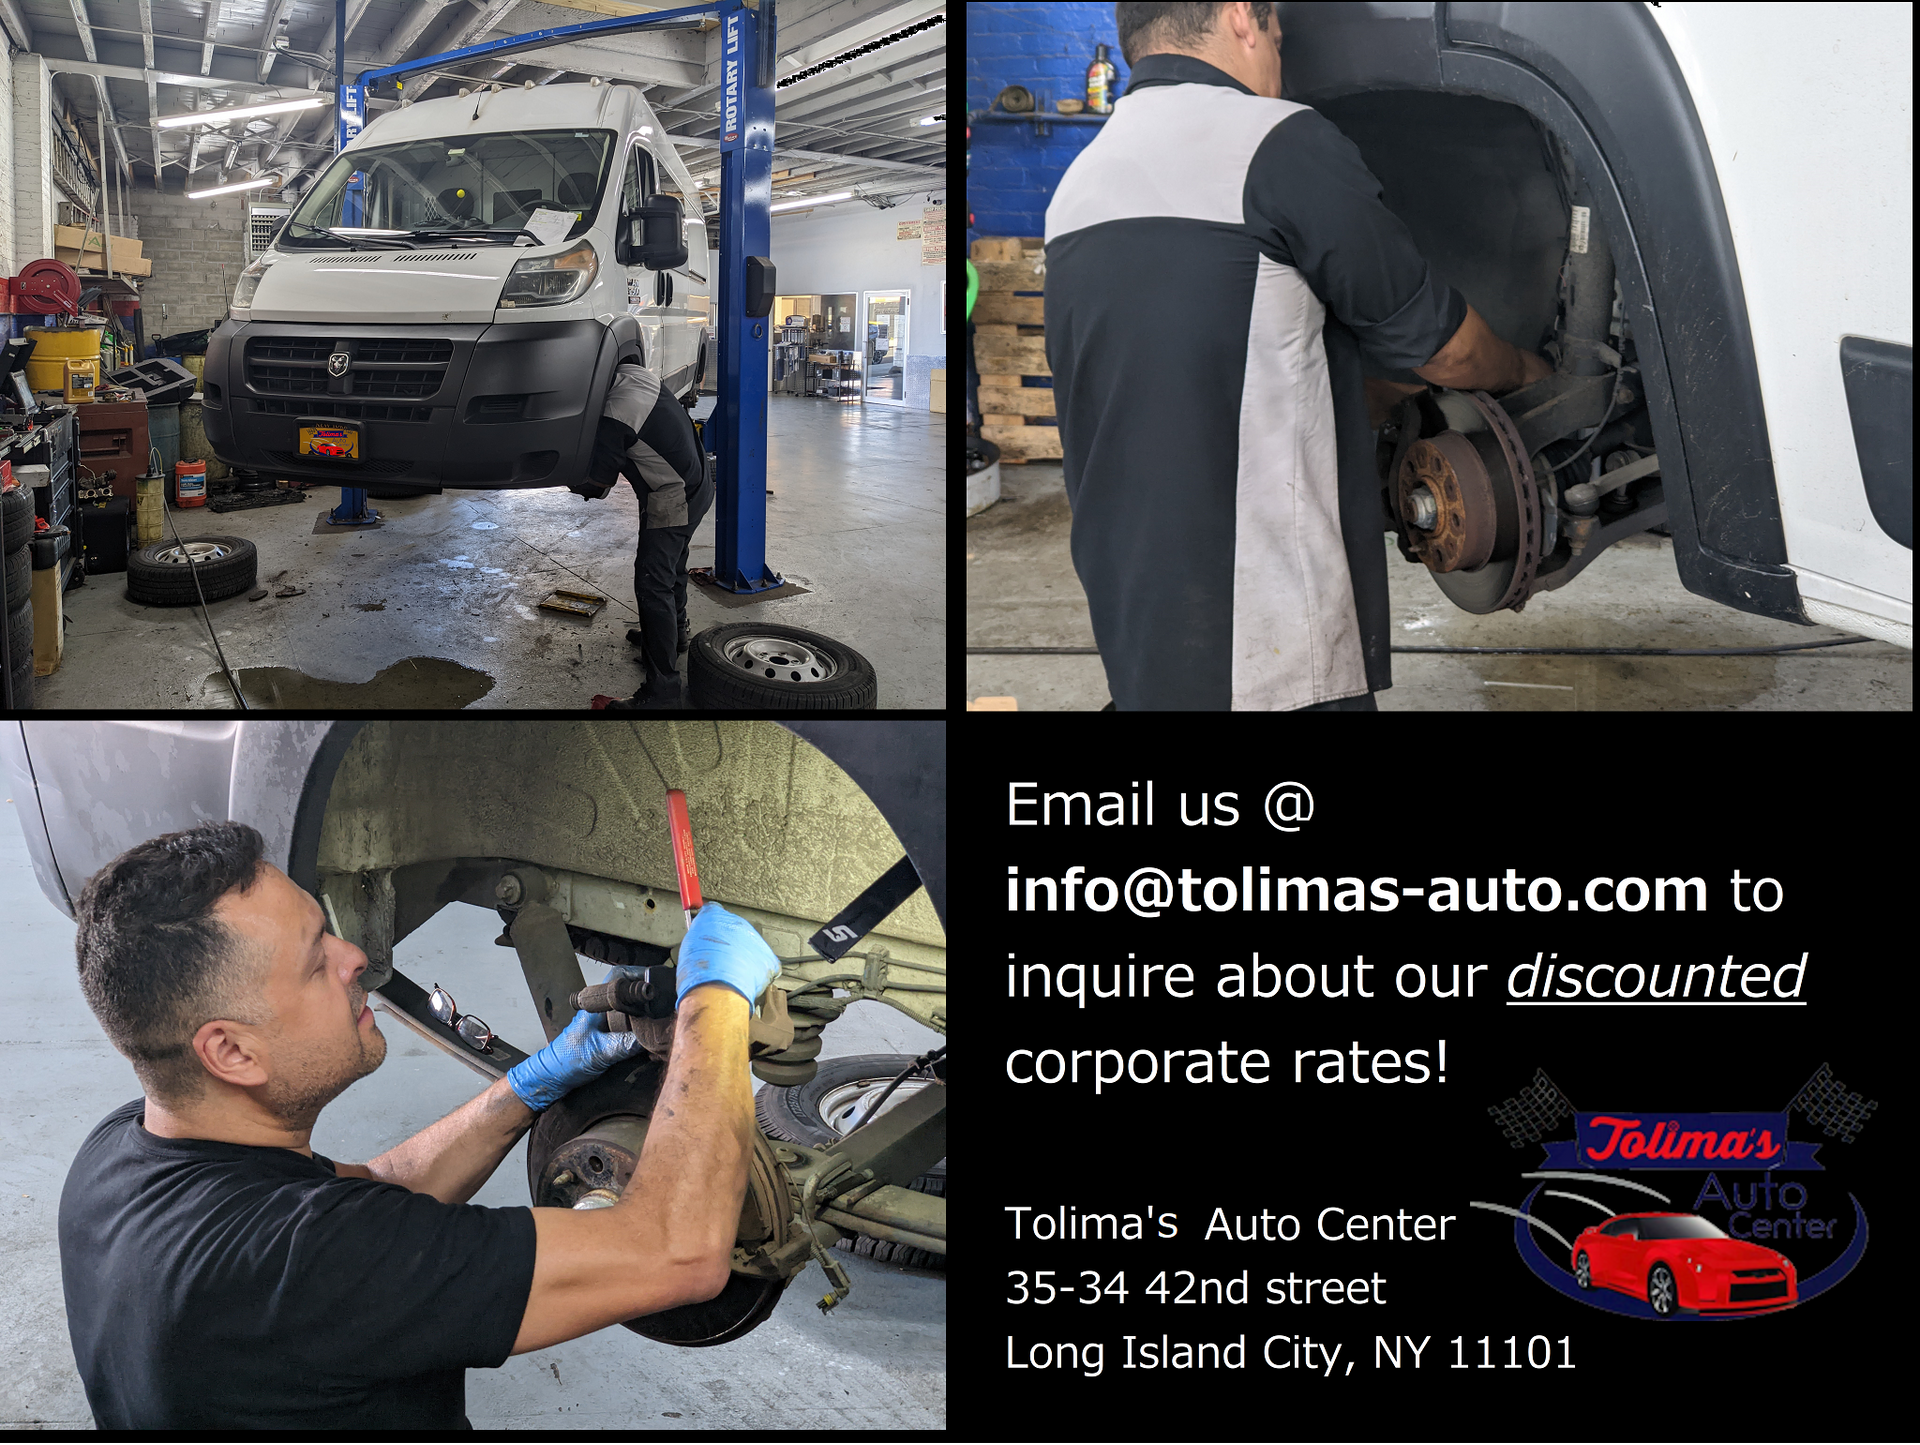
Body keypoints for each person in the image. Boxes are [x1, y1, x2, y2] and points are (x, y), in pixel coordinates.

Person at [57, 820, 778, 1430]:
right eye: (316, 962)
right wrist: (714, 1001)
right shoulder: (311, 1262)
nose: (356, 957)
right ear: (231, 1051)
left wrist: (528, 1086)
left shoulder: (119, 1153)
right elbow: (676, 1251)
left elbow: (374, 1187)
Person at [1046, 2, 1553, 711]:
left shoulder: (1078, 186)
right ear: (1242, 18)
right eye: (1279, 40)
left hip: (1138, 625)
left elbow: (1213, 366)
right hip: (1265, 646)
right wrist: (1536, 374)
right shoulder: (1275, 142)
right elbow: (1450, 351)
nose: (1280, 70)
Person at [581, 363, 716, 709]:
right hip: (699, 480)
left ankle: (662, 692)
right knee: (672, 568)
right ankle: (676, 633)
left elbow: (597, 487)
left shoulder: (614, 416)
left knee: (652, 583)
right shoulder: (634, 373)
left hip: (672, 497)